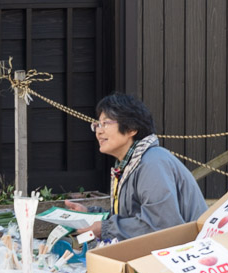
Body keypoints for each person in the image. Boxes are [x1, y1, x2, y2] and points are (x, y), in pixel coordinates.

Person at [64, 92, 206, 241]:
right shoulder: (128, 164)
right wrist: (91, 214)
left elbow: (162, 225)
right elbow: (131, 218)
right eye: (97, 125)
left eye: (106, 123)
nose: (99, 131)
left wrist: (105, 228)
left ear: (131, 128)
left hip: (188, 255)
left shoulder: (152, 162)